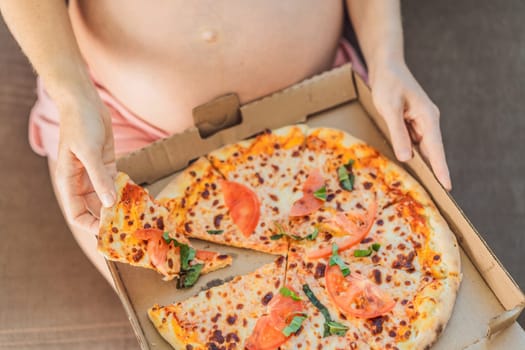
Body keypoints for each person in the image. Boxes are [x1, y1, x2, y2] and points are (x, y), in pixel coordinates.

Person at [0, 0, 451, 286]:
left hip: (320, 99)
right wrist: (70, 91)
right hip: (119, 121)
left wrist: (388, 58)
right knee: (172, 291)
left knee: (392, 272)